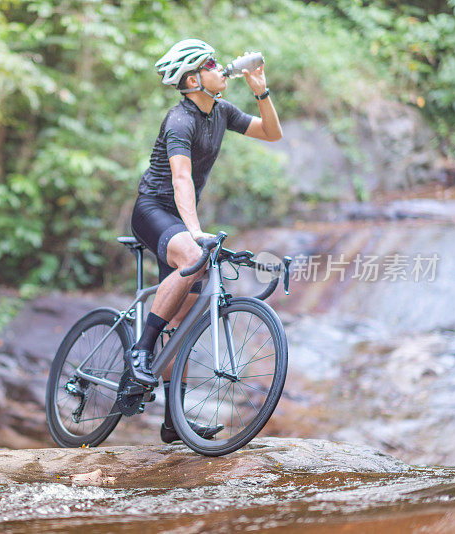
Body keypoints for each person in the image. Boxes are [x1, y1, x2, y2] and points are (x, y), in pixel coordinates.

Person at [125, 38, 283, 443]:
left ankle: (172, 422)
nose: (220, 68)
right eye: (212, 64)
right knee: (193, 257)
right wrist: (194, 232)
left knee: (182, 318)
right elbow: (180, 180)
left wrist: (260, 89)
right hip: (154, 211)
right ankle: (140, 350)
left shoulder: (220, 112)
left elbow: (271, 132)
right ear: (194, 78)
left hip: (181, 219)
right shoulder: (180, 120)